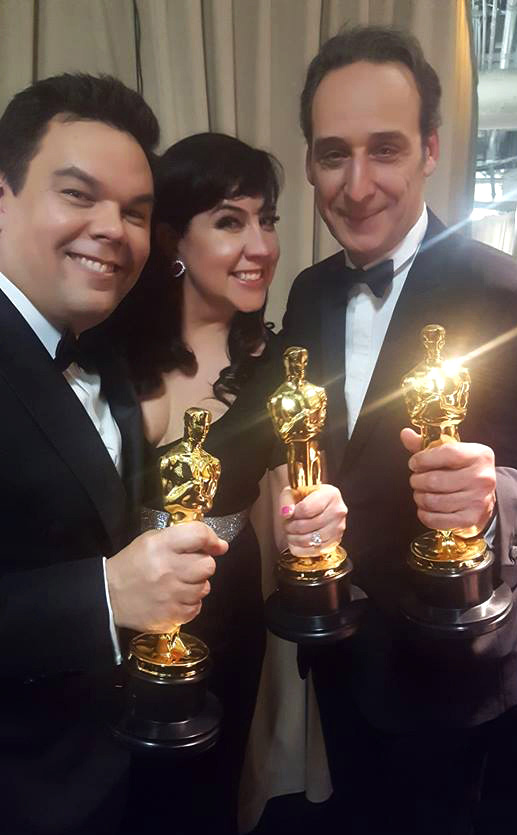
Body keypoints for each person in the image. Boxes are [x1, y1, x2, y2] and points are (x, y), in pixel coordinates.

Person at [280, 26, 517, 835]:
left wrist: (495, 493)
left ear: (431, 149)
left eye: (384, 149)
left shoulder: (508, 289)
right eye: (332, 154)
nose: (356, 186)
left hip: (453, 669)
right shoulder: (311, 290)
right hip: (338, 645)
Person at [0, 74, 229, 835]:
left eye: (134, 211)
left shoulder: (105, 353)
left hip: (120, 768)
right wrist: (102, 596)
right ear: (3, 194)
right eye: (78, 195)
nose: (114, 229)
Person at [111, 132, 348, 834]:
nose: (261, 244)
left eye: (267, 219)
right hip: (114, 621)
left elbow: (312, 484)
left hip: (230, 609)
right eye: (229, 220)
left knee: (209, 797)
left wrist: (323, 514)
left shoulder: (281, 364)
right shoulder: (106, 346)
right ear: (171, 239)